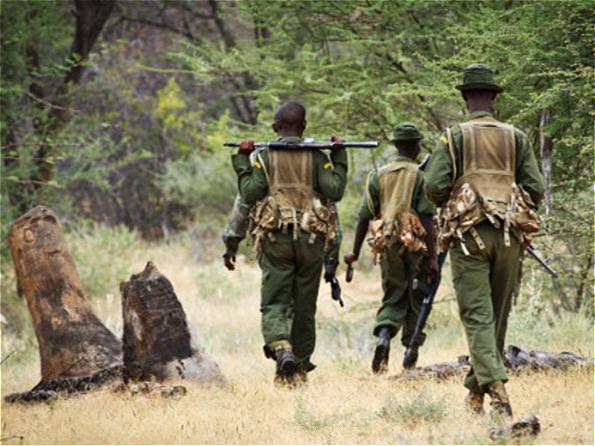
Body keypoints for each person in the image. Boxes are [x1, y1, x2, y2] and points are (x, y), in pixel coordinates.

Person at [424, 64, 545, 417]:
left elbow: (433, 187)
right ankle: (476, 392)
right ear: (493, 98)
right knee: (497, 315)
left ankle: (497, 391)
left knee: (477, 316)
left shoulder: (454, 136)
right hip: (509, 236)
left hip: (468, 237)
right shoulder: (515, 137)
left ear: (465, 98)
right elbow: (535, 189)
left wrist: (454, 197)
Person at [231, 101, 348, 383]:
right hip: (311, 239)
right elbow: (335, 190)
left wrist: (241, 160)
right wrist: (340, 155)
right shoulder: (318, 157)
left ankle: (282, 348)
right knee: (304, 308)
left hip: (276, 238)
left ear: (275, 128)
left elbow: (250, 193)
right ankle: (299, 371)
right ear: (305, 127)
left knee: (274, 304)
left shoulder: (264, 156)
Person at [344, 123, 438, 374]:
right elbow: (427, 218)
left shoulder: (378, 174)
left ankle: (384, 336)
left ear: (397, 146)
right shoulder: (420, 175)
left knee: (393, 294)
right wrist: (432, 256)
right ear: (415, 146)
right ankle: (410, 350)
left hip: (387, 244)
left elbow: (364, 216)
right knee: (417, 296)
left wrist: (354, 252)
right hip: (416, 245)